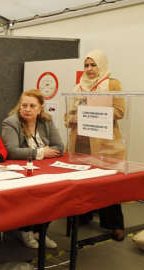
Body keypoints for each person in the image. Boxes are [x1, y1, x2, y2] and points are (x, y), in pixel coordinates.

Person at [65, 50, 125, 241]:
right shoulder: (77, 87)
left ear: (102, 65)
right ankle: (83, 215)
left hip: (104, 145)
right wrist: (71, 118)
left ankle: (114, 224)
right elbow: (67, 115)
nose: (89, 69)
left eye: (93, 65)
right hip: (80, 144)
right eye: (86, 65)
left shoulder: (112, 84)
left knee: (108, 185)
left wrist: (92, 112)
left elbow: (120, 111)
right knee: (82, 184)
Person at [1, 89, 64, 249]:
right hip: (22, 173)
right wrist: (41, 152)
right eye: (24, 105)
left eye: (32, 106)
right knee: (32, 198)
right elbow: (13, 151)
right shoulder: (11, 123)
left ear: (40, 108)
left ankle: (40, 231)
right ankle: (26, 230)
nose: (27, 109)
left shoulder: (46, 121)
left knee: (55, 195)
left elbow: (59, 147)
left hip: (45, 171)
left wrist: (40, 154)